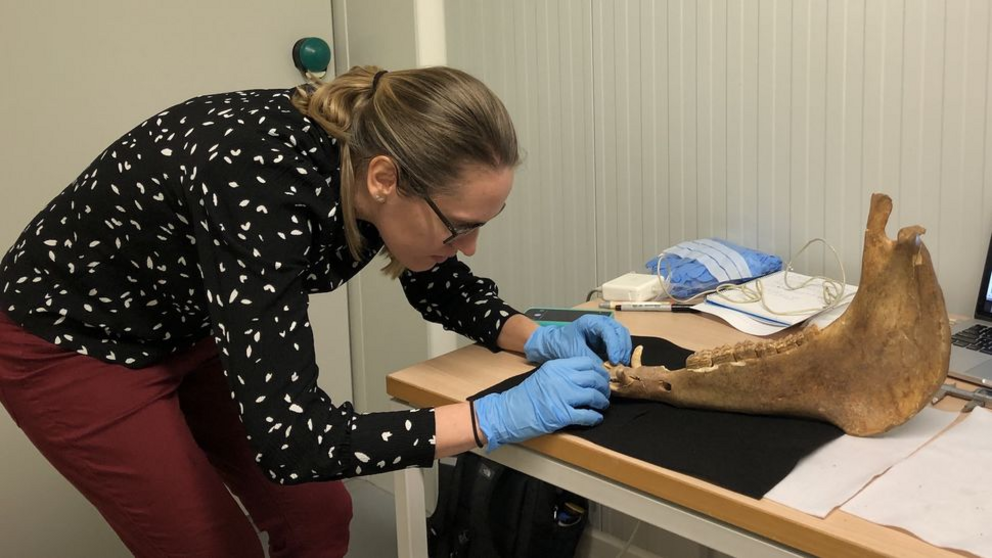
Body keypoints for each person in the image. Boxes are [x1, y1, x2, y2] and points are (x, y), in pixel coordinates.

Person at [0, 65, 631, 557]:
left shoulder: (381, 144)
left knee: (321, 514)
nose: (468, 247)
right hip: (68, 343)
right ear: (385, 180)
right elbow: (293, 441)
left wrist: (536, 334)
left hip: (188, 321)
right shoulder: (257, 182)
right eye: (459, 227)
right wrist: (490, 418)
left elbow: (433, 273)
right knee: (213, 549)